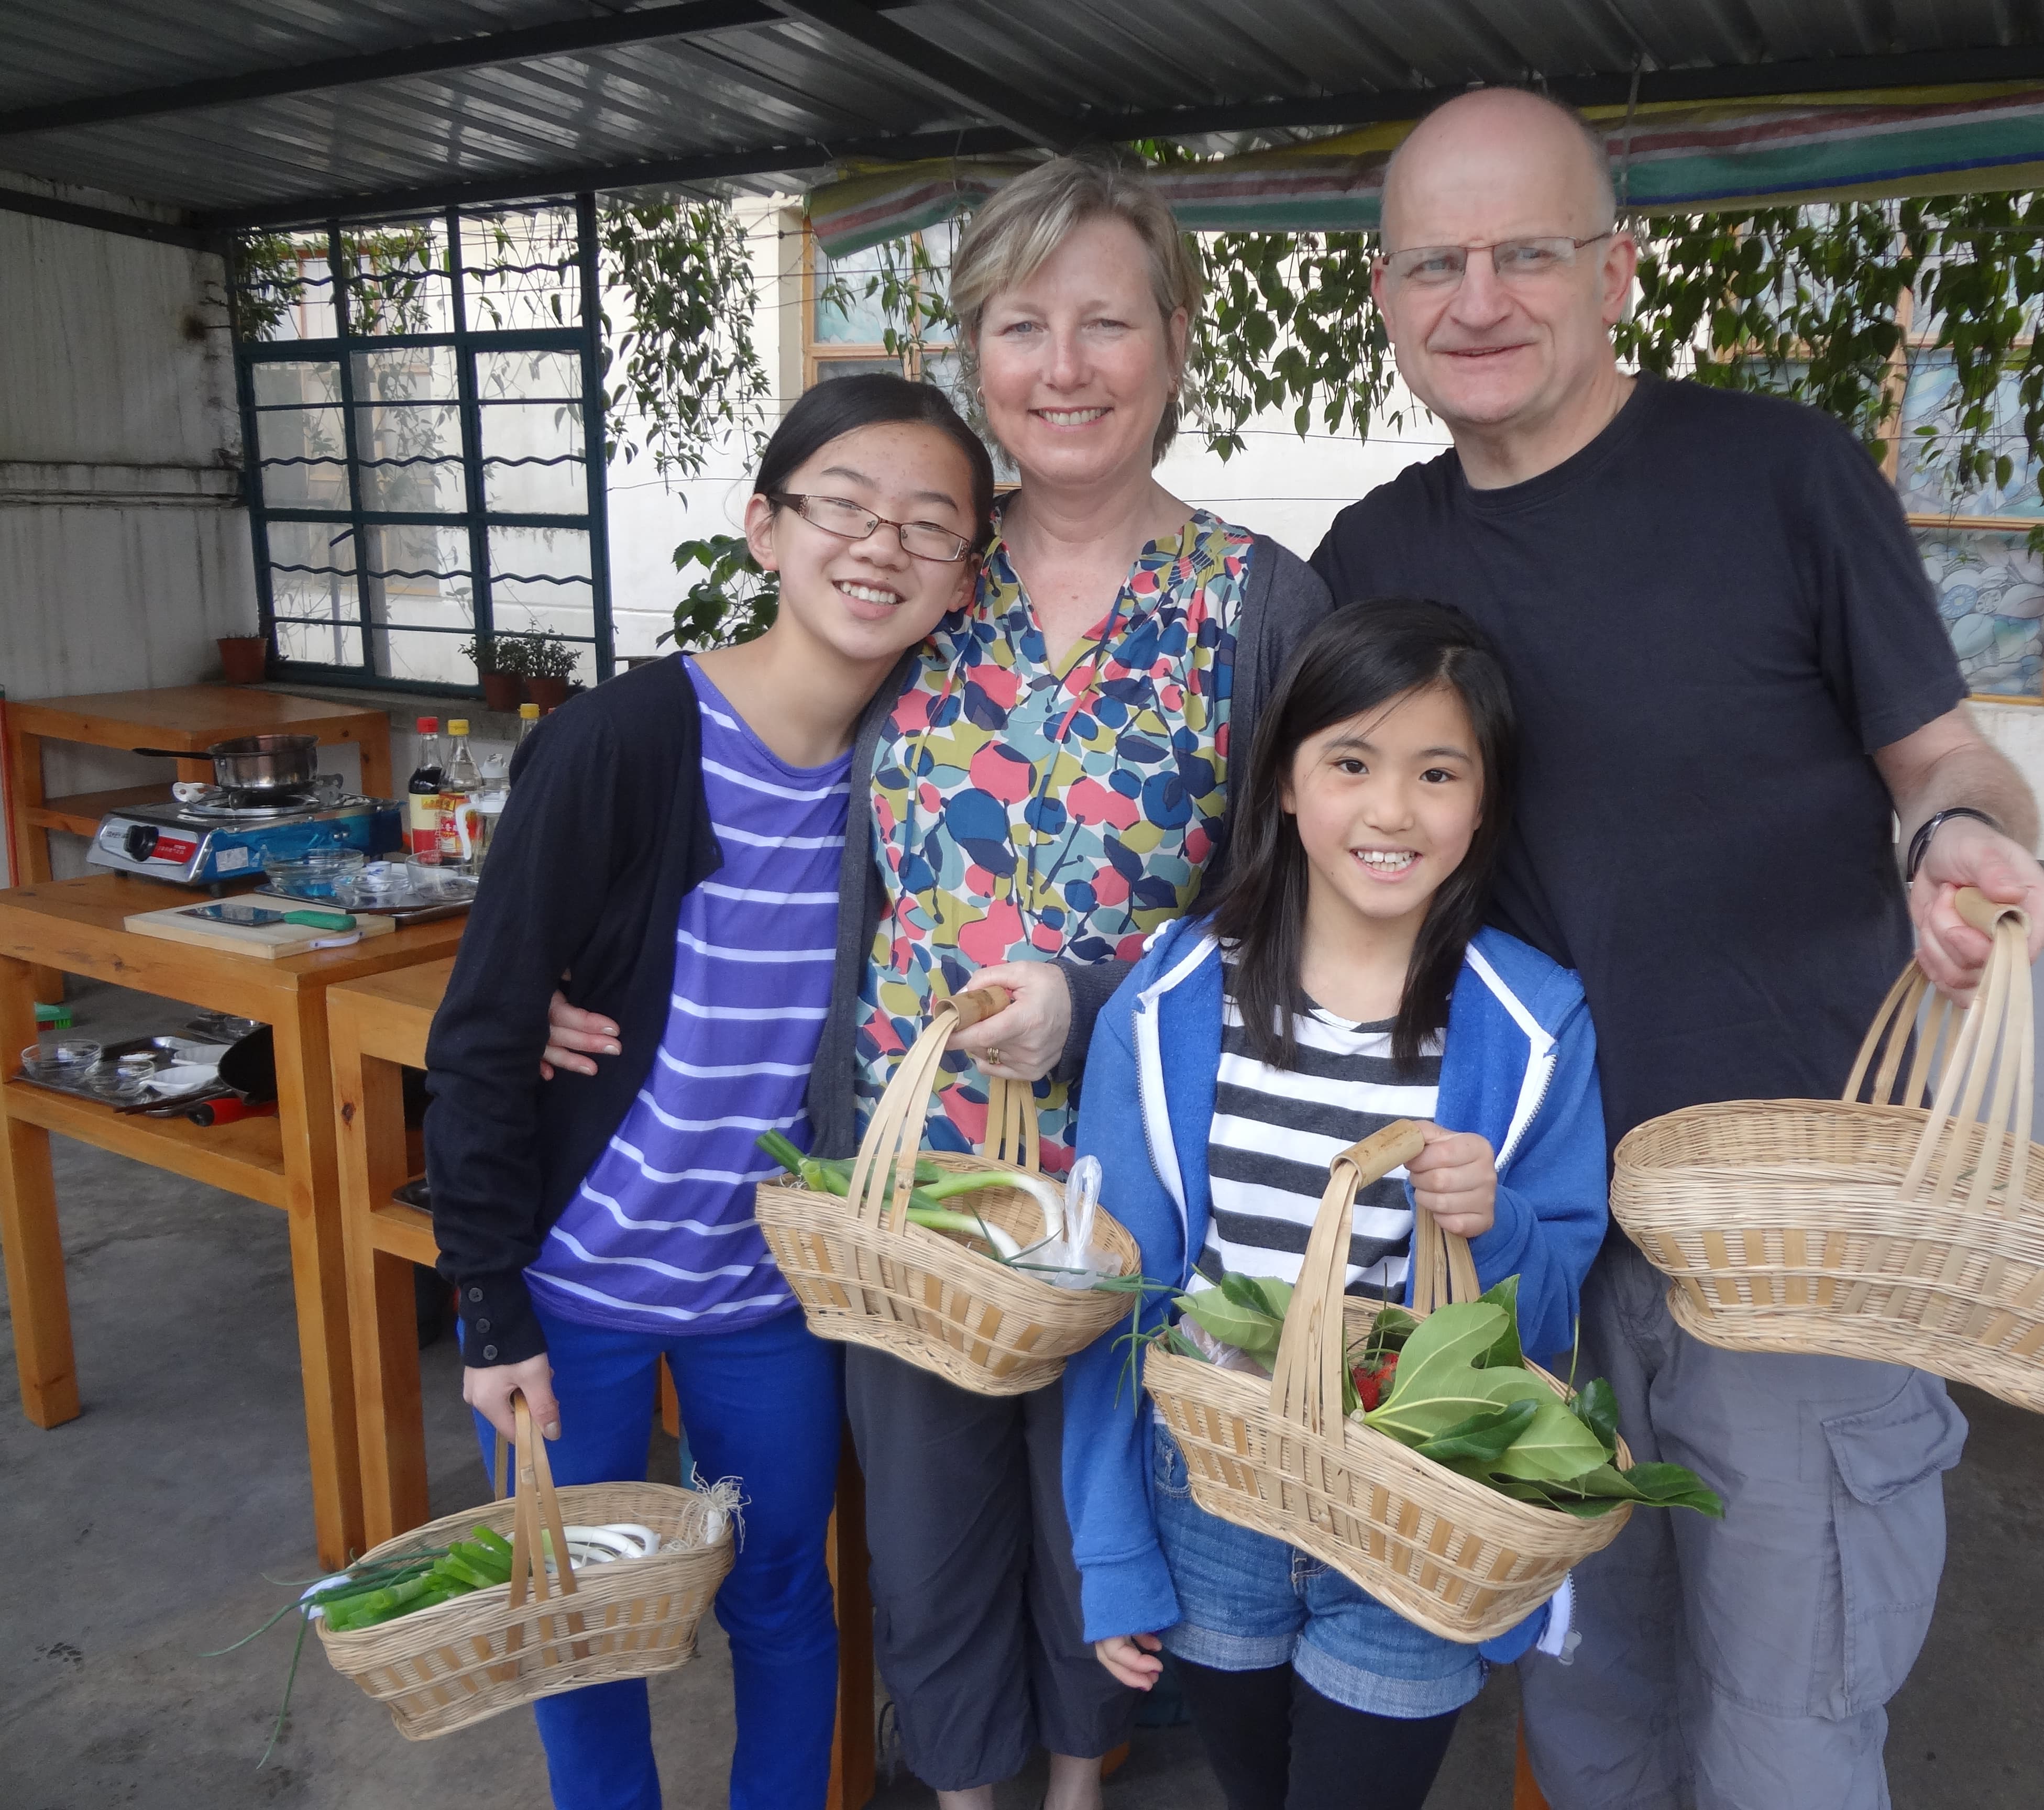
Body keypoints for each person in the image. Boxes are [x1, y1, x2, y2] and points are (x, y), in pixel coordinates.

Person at [542, 151, 1333, 1810]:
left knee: (1097, 1515)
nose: (1063, 366)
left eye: (1106, 321)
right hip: (903, 1178)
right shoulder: (922, 582)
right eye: (1022, 324)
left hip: (1134, 1186)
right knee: (925, 1530)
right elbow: (760, 791)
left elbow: (1298, 897)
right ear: (977, 351)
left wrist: (1100, 988)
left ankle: (1075, 1788)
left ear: (1177, 343)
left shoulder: (1258, 605)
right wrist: (573, 970)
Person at [1310, 90, 2044, 1810]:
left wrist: (1957, 833)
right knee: (1587, 1718)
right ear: (1384, 294)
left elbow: (1943, 754)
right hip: (1518, 1244)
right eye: (1434, 261)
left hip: (1783, 1246)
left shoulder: (1780, 472)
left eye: (1528, 253)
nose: (1478, 297)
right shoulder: (1375, 553)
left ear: (1617, 268)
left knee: (1784, 1734)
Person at [423, 373, 993, 1810]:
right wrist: (487, 1306)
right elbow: (487, 1033)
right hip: (574, 1292)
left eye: (929, 527)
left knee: (785, 1595)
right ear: (763, 529)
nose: (880, 548)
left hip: (772, 1301)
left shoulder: (916, 767)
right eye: (843, 508)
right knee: (581, 1621)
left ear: (965, 578)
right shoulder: (619, 742)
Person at [1061, 598, 1611, 1810]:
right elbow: (1117, 1292)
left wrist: (1501, 1222)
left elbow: (1559, 1300)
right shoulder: (1168, 1003)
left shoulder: (1532, 1023)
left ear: (1484, 802)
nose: (1393, 810)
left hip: (1414, 1514)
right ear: (1290, 784)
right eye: (1351, 762)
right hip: (1209, 1491)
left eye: (1438, 771)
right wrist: (1110, 1548)